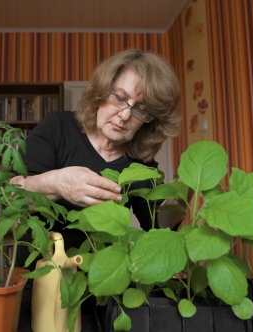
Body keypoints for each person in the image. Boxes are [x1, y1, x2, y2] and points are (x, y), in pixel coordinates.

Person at [11, 48, 185, 316]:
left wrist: (182, 194)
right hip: (34, 284)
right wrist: (57, 183)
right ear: (103, 90)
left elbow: (157, 227)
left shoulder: (139, 164)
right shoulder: (58, 127)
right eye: (120, 98)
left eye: (140, 110)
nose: (125, 115)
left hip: (99, 294)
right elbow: (14, 196)